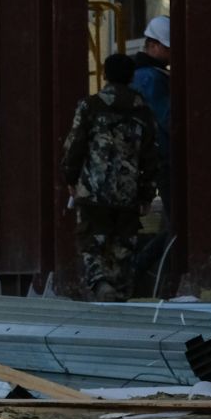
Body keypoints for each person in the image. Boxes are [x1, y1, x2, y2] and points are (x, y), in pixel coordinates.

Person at [61, 52, 161, 302]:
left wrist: (71, 179)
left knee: (92, 243)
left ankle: (101, 283)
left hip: (93, 192)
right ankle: (118, 292)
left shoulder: (90, 106)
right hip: (127, 195)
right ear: (131, 77)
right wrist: (147, 193)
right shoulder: (144, 112)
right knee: (122, 247)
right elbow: (151, 157)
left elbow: (74, 146)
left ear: (105, 74)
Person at [130, 17, 172, 216]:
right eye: (168, 48)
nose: (172, 53)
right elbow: (169, 118)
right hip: (163, 158)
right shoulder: (152, 78)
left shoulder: (139, 75)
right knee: (177, 218)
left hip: (146, 158)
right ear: (153, 45)